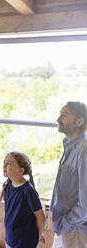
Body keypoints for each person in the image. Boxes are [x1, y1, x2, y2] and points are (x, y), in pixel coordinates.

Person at [50, 101, 87, 248]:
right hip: (65, 228)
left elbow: (86, 203)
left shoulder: (84, 151)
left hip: (74, 230)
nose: (58, 119)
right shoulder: (69, 144)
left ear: (79, 121)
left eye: (64, 116)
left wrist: (67, 223)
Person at [0, 151, 45, 248]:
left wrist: (39, 235)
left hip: (26, 242)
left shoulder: (28, 191)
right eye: (4, 162)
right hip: (11, 239)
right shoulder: (7, 185)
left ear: (20, 171)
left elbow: (40, 216)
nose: (4, 166)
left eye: (8, 163)